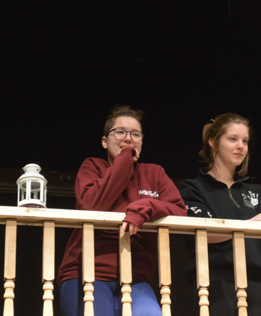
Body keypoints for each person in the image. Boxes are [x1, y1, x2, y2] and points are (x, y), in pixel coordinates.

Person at [57, 106, 187, 316]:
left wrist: (145, 207)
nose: (128, 138)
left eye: (135, 134)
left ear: (142, 142)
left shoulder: (154, 172)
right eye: (120, 132)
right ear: (104, 141)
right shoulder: (92, 167)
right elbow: (92, 206)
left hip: (136, 276)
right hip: (87, 272)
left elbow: (180, 211)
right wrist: (125, 159)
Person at [179, 113, 261, 316]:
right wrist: (250, 223)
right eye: (232, 139)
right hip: (215, 280)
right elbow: (201, 232)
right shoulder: (193, 188)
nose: (240, 146)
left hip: (259, 281)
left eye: (245, 141)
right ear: (213, 143)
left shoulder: (257, 192)